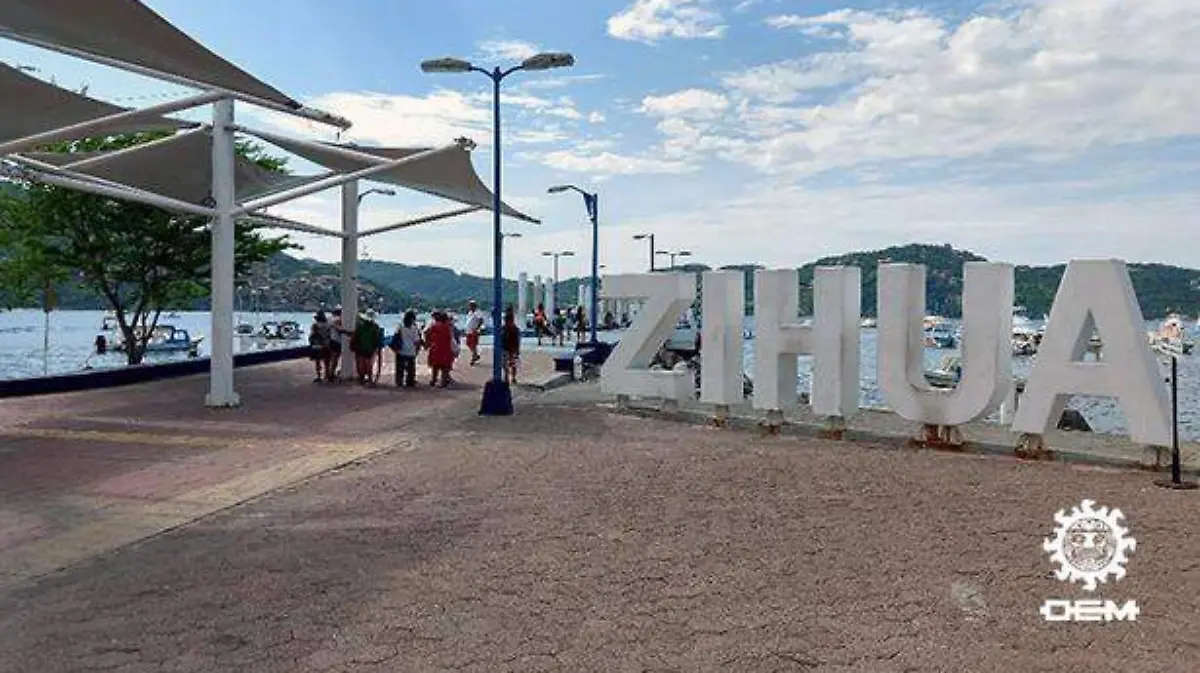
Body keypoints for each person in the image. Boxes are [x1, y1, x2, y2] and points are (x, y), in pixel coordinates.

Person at [390, 310, 422, 387]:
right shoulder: (414, 328)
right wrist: (417, 349)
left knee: (399, 368)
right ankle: (410, 382)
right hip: (411, 350)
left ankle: (399, 382)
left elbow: (395, 337)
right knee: (411, 368)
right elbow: (417, 341)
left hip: (401, 350)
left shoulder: (400, 327)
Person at [424, 311, 455, 387]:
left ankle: (433, 380)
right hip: (445, 348)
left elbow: (426, 333)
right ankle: (443, 381)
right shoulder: (448, 327)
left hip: (435, 348)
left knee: (435, 366)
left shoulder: (434, 326)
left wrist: (427, 343)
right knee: (444, 367)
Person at [352, 309, 382, 385]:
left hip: (361, 347)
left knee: (361, 364)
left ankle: (362, 379)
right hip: (370, 348)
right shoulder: (375, 326)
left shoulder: (360, 326)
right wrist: (377, 347)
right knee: (369, 364)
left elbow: (356, 336)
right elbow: (377, 338)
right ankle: (370, 379)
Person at [309, 311, 332, 382]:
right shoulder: (328, 325)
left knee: (317, 361)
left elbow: (312, 336)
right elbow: (330, 335)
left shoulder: (315, 325)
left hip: (317, 346)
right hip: (326, 345)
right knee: (327, 361)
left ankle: (319, 376)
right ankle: (327, 375)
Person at [501, 306, 521, 384]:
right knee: (508, 363)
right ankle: (508, 376)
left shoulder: (513, 329)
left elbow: (517, 340)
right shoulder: (507, 328)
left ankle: (511, 377)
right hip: (508, 348)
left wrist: (517, 350)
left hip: (511, 348)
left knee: (511, 364)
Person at [464, 300, 485, 366]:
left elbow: (481, 320)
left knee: (473, 344)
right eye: (470, 305)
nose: (470, 306)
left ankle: (474, 357)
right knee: (468, 343)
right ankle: (475, 355)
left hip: (474, 331)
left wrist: (477, 328)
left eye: (471, 305)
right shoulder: (470, 312)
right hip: (468, 331)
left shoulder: (478, 312)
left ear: (474, 306)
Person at [327, 307, 345, 382]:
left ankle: (329, 373)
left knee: (331, 358)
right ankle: (331, 374)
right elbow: (339, 330)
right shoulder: (337, 320)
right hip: (337, 341)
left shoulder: (329, 319)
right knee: (335, 359)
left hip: (331, 340)